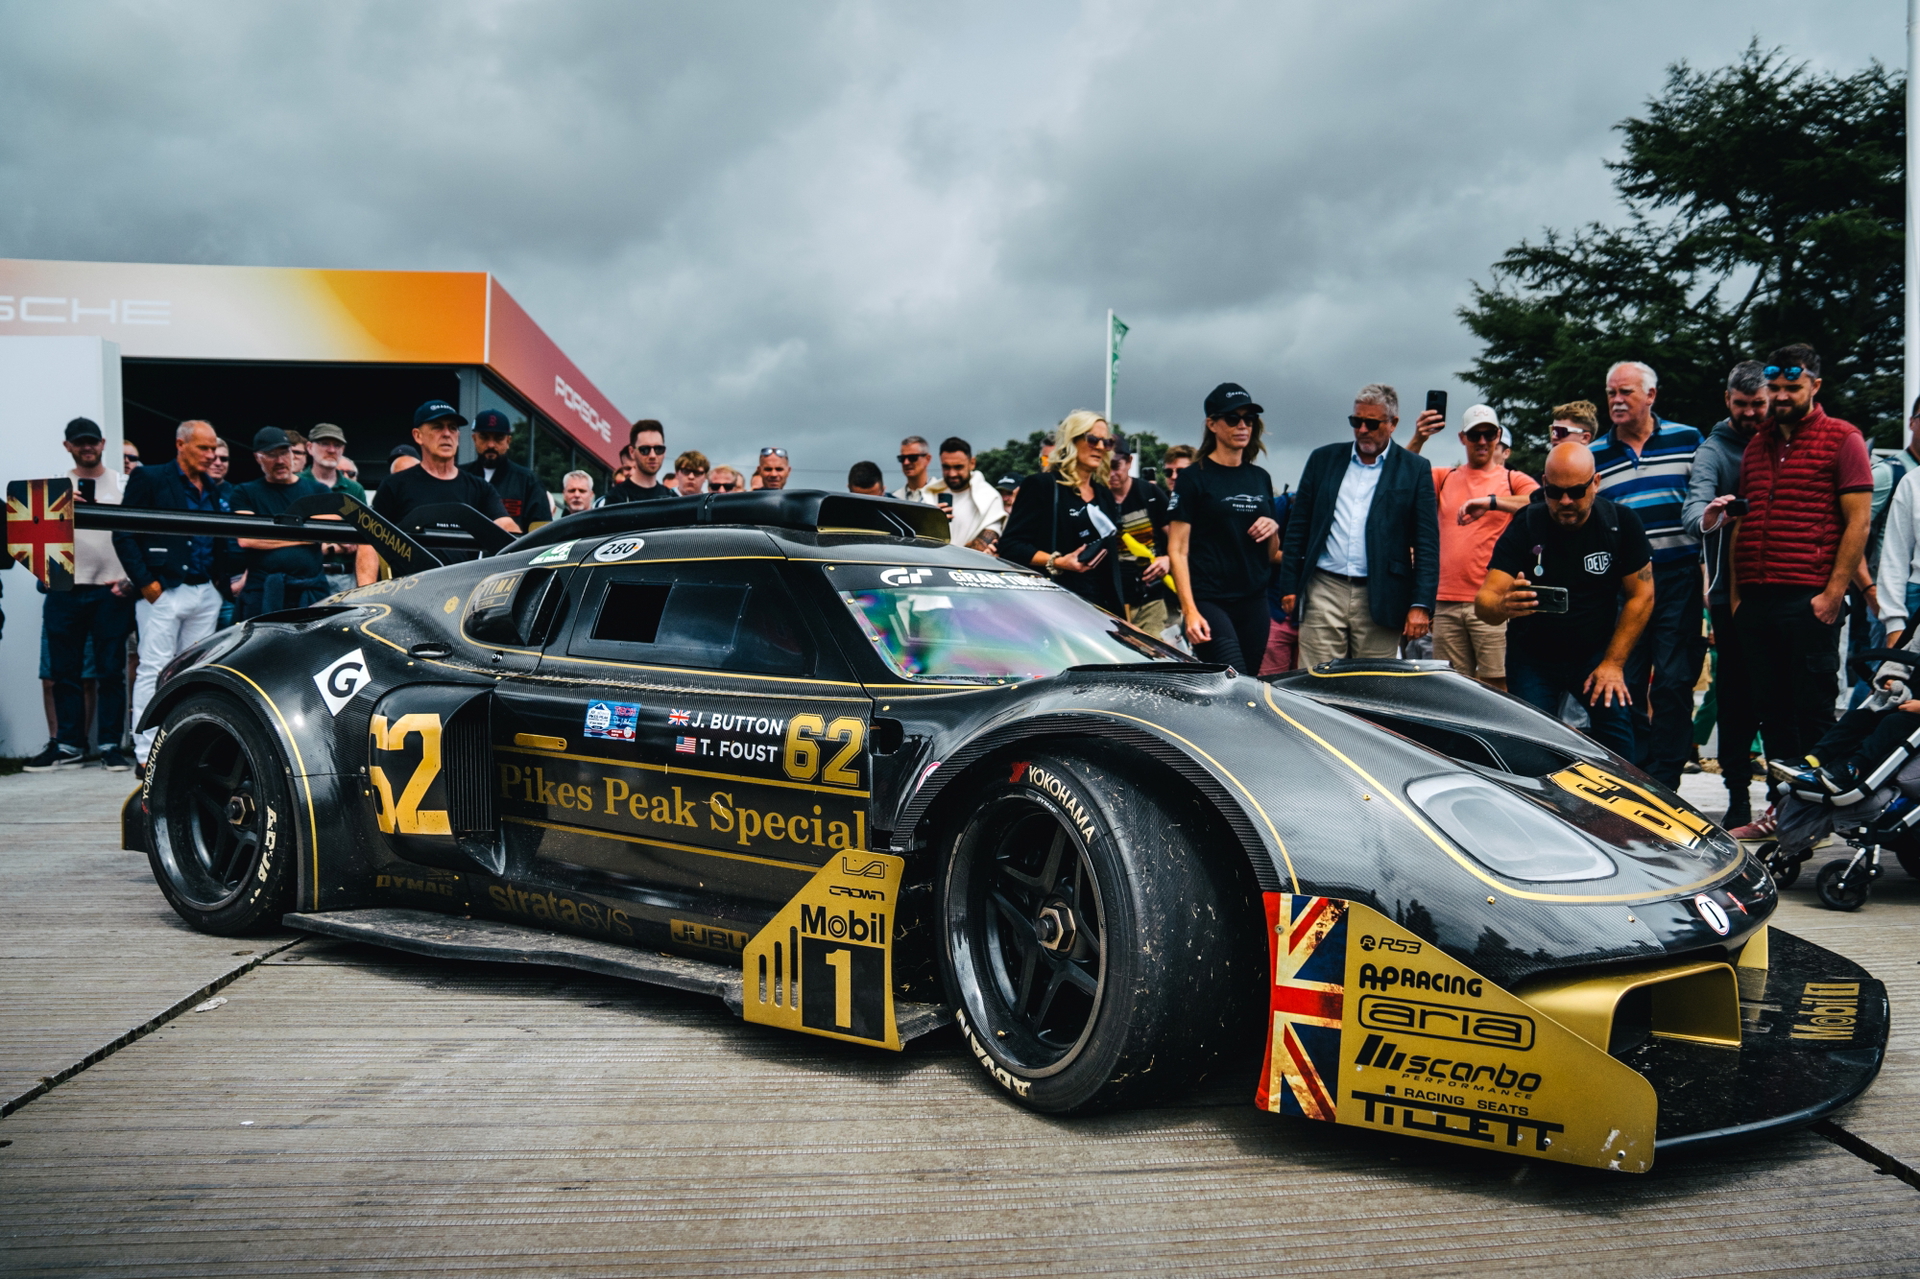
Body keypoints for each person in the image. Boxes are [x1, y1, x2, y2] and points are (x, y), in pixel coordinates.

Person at [1732, 344, 1873, 804]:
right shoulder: (1757, 444)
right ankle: (1782, 810)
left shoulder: (1843, 438)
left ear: (1815, 385)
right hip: (1757, 599)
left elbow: (1858, 523)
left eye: (1792, 387)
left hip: (1808, 598)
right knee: (1770, 714)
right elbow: (1742, 521)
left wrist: (1832, 594)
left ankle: (1819, 816)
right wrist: (1736, 598)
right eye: (1774, 387)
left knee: (1812, 711)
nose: (1781, 395)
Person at [1476, 442, 1655, 760]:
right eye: (1555, 492)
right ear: (1544, 483)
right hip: (1533, 656)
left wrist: (1614, 664)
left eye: (1576, 491)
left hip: (1595, 654)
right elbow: (1485, 601)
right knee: (1531, 747)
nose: (1566, 501)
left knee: (1619, 738)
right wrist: (1503, 606)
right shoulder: (1527, 524)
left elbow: (1642, 595)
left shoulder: (1620, 523)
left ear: (1595, 482)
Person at [1589, 360, 1704, 788]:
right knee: (1627, 681)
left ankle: (1667, 777)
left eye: (1626, 392)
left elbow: (1703, 503)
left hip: (1679, 577)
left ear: (1651, 395)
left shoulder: (1688, 439)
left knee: (1674, 682)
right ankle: (1638, 776)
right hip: (1625, 585)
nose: (1617, 401)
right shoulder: (1596, 454)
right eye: (1611, 393)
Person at [1277, 383, 1438, 668]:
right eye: (1356, 421)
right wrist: (1289, 584)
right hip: (1323, 587)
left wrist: (1420, 605)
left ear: (1393, 423)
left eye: (1372, 423)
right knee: (1316, 681)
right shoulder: (1322, 460)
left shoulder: (1415, 468)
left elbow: (1426, 544)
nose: (1363, 429)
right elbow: (1297, 527)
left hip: (1383, 593)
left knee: (1373, 684)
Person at [115, 420, 240, 768]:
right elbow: (123, 532)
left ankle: (182, 750)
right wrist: (146, 584)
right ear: (180, 445)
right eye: (204, 447)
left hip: (205, 591)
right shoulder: (150, 477)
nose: (212, 455)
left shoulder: (213, 487)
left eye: (214, 448)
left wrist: (220, 585)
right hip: (164, 592)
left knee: (191, 674)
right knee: (153, 668)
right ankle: (146, 754)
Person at [1681, 360, 1770, 827]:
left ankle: (1785, 802)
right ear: (1727, 401)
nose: (1750, 413)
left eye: (1758, 404)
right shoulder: (1714, 451)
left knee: (1782, 701)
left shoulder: (1784, 442)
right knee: (1734, 700)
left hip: (1780, 592)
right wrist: (1709, 516)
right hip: (1730, 596)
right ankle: (1738, 798)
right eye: (1741, 404)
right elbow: (1693, 508)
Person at [25, 417, 136, 772]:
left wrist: (131, 580)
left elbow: (140, 534)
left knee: (110, 672)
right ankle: (69, 745)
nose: (87, 447)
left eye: (92, 441)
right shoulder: (52, 488)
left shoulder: (125, 484)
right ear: (68, 446)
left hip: (112, 591)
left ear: (103, 444)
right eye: (80, 442)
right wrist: (55, 511)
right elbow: (29, 539)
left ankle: (110, 746)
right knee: (64, 672)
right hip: (65, 589)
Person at [1167, 384, 1281, 669]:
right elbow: (1177, 550)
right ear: (1212, 424)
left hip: (1254, 602)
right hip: (1210, 601)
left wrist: (1273, 528)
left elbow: (1270, 554)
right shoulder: (1193, 478)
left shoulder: (1260, 478)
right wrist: (1189, 611)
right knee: (1232, 678)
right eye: (1233, 418)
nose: (1242, 425)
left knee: (1249, 683)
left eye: (1249, 419)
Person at [1430, 405, 1539, 690]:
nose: (1482, 441)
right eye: (1474, 435)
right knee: (1450, 688)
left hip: (1493, 601)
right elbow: (1400, 476)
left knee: (1497, 684)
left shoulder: (1511, 479)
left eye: (1488, 434)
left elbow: (1541, 500)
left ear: (1498, 435)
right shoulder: (1445, 476)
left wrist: (1492, 502)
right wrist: (1420, 437)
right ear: (1462, 438)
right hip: (1446, 601)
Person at [358, 401, 513, 585]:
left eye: (452, 428)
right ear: (418, 436)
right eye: (437, 427)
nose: (447, 433)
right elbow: (368, 540)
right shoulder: (395, 485)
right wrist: (366, 592)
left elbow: (505, 526)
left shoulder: (480, 488)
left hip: (464, 591)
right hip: (410, 591)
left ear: (458, 436)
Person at [998, 410, 1125, 615]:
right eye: (1093, 440)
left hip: (1100, 609)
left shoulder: (1104, 494)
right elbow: (1011, 546)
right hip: (1053, 606)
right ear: (1072, 440)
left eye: (1107, 442)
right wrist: (1058, 562)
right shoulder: (1042, 485)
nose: (1101, 447)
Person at [230, 427, 336, 619]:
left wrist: (269, 534)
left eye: (284, 453)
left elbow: (328, 531)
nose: (279, 461)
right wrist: (307, 535)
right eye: (271, 455)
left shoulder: (318, 490)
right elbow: (247, 539)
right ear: (258, 457)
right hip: (262, 591)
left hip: (311, 591)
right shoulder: (244, 492)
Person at [1105, 436, 1171, 634]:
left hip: (1150, 597)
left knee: (1151, 648)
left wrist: (1167, 559)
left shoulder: (1149, 493)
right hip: (1111, 599)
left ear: (1129, 462)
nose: (1111, 474)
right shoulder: (1097, 496)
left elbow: (1180, 541)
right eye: (1104, 466)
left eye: (1115, 466)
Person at [462, 408, 550, 531]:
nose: (491, 444)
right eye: (484, 437)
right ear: (474, 439)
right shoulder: (461, 476)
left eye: (498, 438)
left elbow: (542, 532)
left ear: (508, 441)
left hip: (513, 544)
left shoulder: (527, 481)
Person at [936, 437, 1007, 552]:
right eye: (946, 467)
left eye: (958, 467)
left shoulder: (989, 497)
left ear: (972, 463)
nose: (952, 474)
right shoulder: (928, 494)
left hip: (968, 564)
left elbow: (983, 545)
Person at [604, 420, 671, 503]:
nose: (652, 455)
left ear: (665, 452)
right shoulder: (616, 497)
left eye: (658, 449)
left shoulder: (671, 498)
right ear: (632, 452)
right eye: (645, 449)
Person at [305, 424, 366, 502]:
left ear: (342, 450)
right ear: (310, 447)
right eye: (325, 443)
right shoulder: (294, 483)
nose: (332, 450)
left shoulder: (354, 489)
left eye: (337, 445)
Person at [892, 436, 942, 504]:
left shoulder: (943, 493)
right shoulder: (895, 498)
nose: (906, 462)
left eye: (912, 457)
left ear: (927, 459)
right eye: (902, 458)